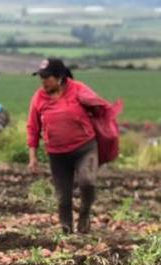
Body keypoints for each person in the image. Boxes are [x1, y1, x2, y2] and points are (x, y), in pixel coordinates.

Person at [27, 58, 108, 234]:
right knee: (63, 197)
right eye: (41, 77)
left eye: (47, 77)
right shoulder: (38, 98)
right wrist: (32, 156)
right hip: (57, 154)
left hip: (84, 148)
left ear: (60, 78)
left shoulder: (78, 89)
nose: (43, 81)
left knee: (87, 181)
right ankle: (66, 229)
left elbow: (98, 107)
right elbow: (33, 128)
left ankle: (85, 214)